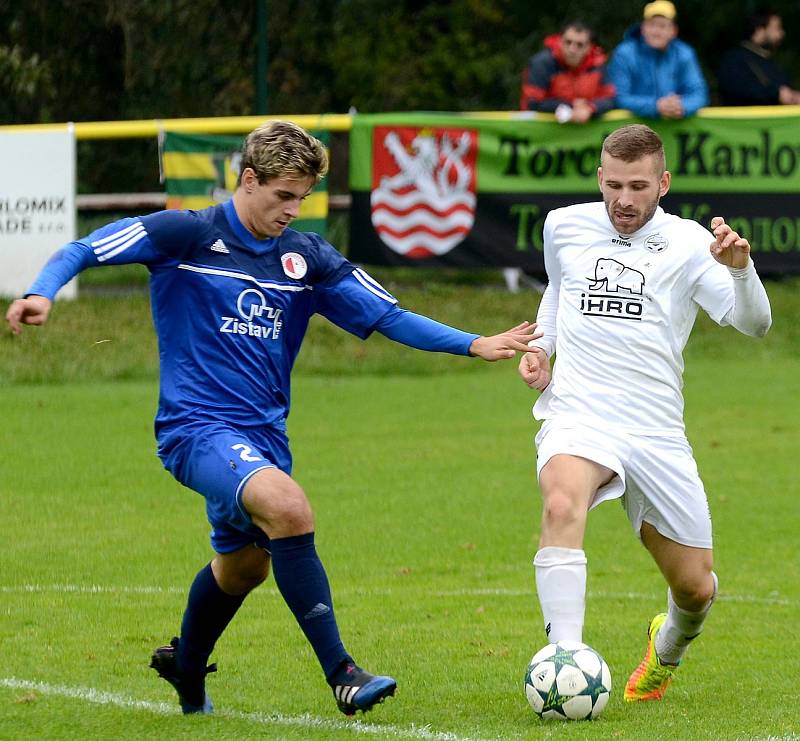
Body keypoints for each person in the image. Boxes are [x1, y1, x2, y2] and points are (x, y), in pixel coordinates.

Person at [5, 120, 539, 717]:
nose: (294, 209)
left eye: (303, 198)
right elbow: (85, 246)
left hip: (263, 437)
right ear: (249, 179)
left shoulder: (305, 257)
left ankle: (186, 666)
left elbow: (388, 314)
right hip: (195, 430)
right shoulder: (186, 234)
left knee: (245, 567)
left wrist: (471, 343)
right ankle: (343, 673)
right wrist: (42, 290)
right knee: (290, 509)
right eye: (284, 195)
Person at [518, 123, 771, 703]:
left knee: (695, 588)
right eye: (612, 186)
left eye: (637, 187)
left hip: (655, 429)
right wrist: (543, 347)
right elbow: (558, 290)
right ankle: (565, 659)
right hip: (579, 412)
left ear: (664, 183)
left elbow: (756, 325)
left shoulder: (688, 245)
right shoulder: (564, 227)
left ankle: (666, 650)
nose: (623, 201)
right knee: (561, 500)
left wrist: (739, 268)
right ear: (599, 179)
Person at [607, 1, 709, 119]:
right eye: (651, 25)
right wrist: (656, 106)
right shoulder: (624, 53)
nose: (656, 31)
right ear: (642, 28)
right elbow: (618, 97)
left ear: (673, 31)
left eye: (662, 26)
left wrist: (682, 106)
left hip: (673, 128)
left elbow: (699, 94)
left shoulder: (684, 53)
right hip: (633, 130)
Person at [520, 20, 616, 123]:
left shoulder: (598, 65)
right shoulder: (542, 63)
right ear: (560, 41)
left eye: (579, 45)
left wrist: (590, 108)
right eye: (568, 42)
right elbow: (532, 103)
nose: (572, 49)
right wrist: (571, 105)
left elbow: (610, 99)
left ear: (589, 47)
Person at [717, 11, 800, 106]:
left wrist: (793, 96)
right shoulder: (734, 59)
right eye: (777, 28)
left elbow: (785, 89)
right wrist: (775, 94)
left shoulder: (770, 62)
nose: (781, 34)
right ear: (759, 31)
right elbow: (738, 90)